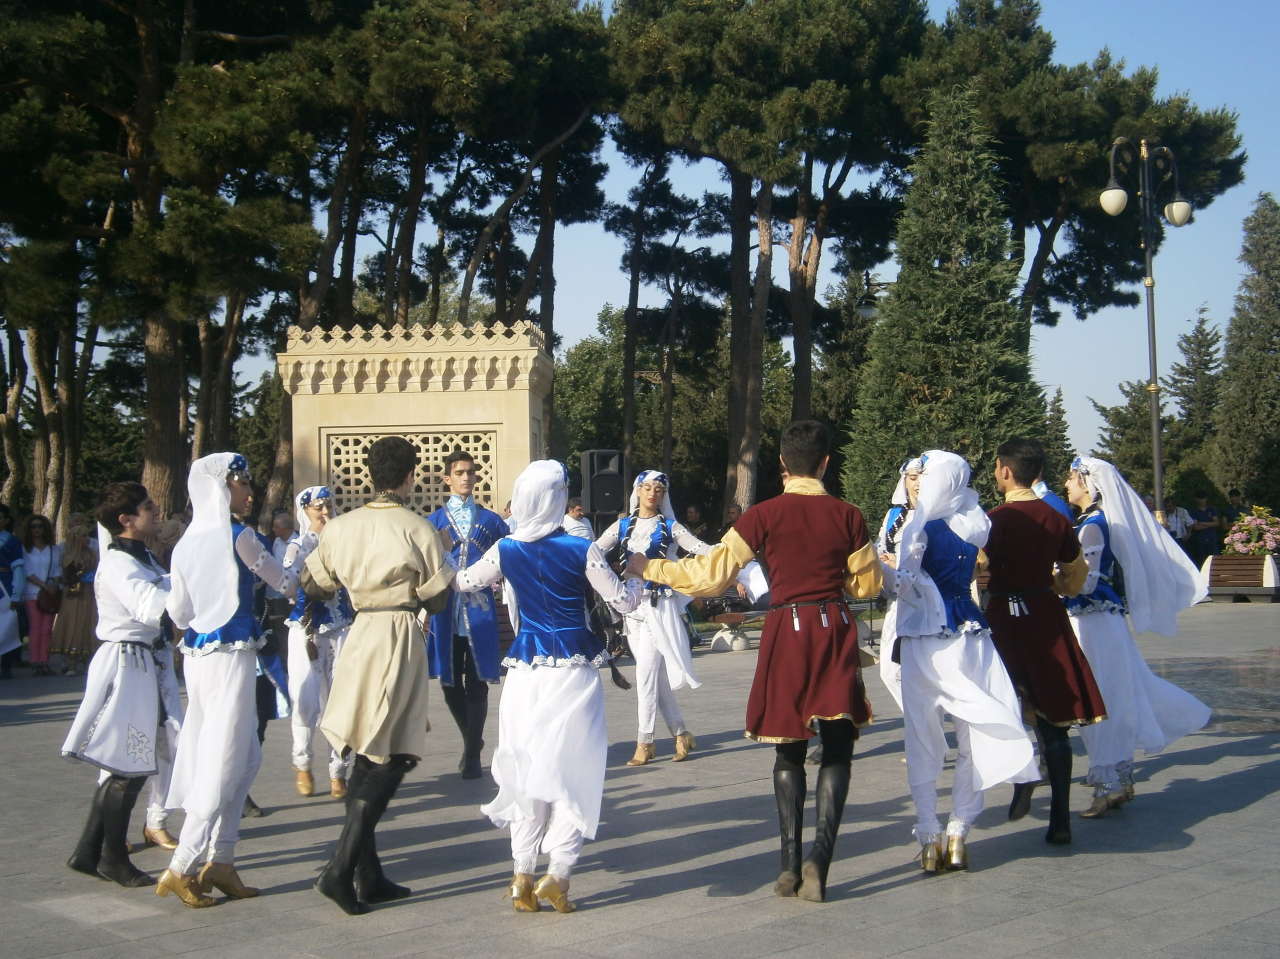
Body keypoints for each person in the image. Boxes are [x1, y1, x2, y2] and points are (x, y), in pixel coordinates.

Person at [639, 420, 882, 902]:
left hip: (786, 629)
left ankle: (789, 864)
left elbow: (711, 576)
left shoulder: (762, 515)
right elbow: (867, 586)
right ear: (826, 463)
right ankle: (820, 860)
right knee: (837, 746)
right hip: (832, 628)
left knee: (788, 747)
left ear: (783, 464)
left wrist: (651, 566)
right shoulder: (848, 515)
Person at [453, 460, 643, 913]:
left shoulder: (505, 548)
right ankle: (558, 873)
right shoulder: (580, 547)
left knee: (528, 769)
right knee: (575, 770)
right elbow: (622, 602)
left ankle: (522, 873)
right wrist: (637, 572)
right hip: (573, 670)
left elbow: (463, 581)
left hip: (525, 671)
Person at [303, 436, 454, 915]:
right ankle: (339, 869)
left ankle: (368, 876)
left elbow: (312, 584)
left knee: (368, 754)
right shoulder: (417, 528)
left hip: (360, 634)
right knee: (391, 756)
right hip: (398, 636)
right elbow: (438, 599)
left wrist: (354, 579)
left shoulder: (341, 527)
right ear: (410, 476)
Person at [879, 452, 1036, 872]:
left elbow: (904, 585)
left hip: (925, 640)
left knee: (921, 735)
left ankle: (929, 834)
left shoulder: (921, 525)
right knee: (971, 737)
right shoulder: (974, 522)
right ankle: (959, 832)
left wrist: (875, 568)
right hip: (971, 634)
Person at [157, 452, 298, 909]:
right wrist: (314, 568)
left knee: (246, 755)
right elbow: (285, 583)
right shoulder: (241, 538)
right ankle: (183, 864)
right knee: (224, 757)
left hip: (199, 656)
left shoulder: (185, 545)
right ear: (220, 488)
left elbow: (179, 613)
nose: (249, 492)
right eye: (241, 483)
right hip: (232, 656)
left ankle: (222, 858)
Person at [1063, 457, 1211, 815]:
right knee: (1115, 695)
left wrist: (1052, 579)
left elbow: (1087, 583)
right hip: (1102, 620)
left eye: (1070, 478)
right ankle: (1120, 777)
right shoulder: (1097, 522)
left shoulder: (1093, 527)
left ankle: (1107, 784)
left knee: (1097, 698)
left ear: (1087, 483)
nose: (1066, 485)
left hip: (1092, 622)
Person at [63, 482, 184, 887]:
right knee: (128, 767)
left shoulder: (140, 554)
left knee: (130, 764)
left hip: (144, 662)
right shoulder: (118, 562)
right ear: (126, 519)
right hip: (127, 664)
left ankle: (88, 850)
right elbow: (150, 607)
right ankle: (112, 858)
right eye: (147, 507)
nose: (156, 511)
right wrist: (189, 585)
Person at [984, 438, 1101, 845]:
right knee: (1055, 718)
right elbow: (1075, 572)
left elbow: (979, 566)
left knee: (1006, 702)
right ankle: (1061, 819)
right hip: (1045, 613)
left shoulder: (994, 519)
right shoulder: (1056, 517)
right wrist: (1054, 586)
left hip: (1004, 614)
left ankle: (1023, 775)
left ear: (1004, 470)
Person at [596, 470, 712, 766]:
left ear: (664, 495)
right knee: (655, 678)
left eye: (658, 489)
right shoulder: (622, 525)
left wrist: (733, 558)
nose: (652, 493)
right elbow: (593, 551)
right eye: (647, 487)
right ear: (638, 491)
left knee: (645, 674)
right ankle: (681, 733)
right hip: (632, 609)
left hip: (659, 606)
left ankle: (645, 741)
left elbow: (700, 548)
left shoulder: (670, 527)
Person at [425, 448, 510, 779]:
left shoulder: (491, 521)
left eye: (470, 472)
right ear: (447, 478)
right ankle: (472, 739)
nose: (466, 477)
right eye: (459, 472)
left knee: (477, 682)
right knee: (449, 682)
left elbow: (509, 555)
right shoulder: (433, 523)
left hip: (480, 610)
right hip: (446, 611)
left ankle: (472, 755)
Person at [283, 486, 354, 799]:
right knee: (306, 699)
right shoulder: (296, 546)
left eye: (328, 506)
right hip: (307, 628)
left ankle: (339, 770)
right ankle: (303, 761)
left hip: (340, 627)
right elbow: (286, 584)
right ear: (305, 512)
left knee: (341, 700)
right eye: (318, 508)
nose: (325, 513)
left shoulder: (343, 542)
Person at [51, 515, 99, 674]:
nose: (86, 539)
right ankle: (70, 661)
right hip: (72, 596)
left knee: (88, 624)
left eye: (87, 535)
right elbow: (62, 574)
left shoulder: (92, 553)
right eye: (82, 536)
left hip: (89, 594)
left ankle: (86, 660)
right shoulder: (66, 553)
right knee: (72, 624)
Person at [22, 514, 62, 676]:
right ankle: (35, 661)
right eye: (33, 527)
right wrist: (44, 586)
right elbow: (27, 572)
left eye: (40, 526)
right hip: (33, 592)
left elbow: (57, 569)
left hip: (49, 594)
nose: (37, 529)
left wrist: (54, 585)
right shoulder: (25, 549)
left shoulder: (53, 549)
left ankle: (44, 661)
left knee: (47, 629)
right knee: (35, 627)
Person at [0, 503, 26, 679]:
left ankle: (6, 665)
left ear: (6, 520)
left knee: (7, 626)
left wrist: (16, 594)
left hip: (5, 587)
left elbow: (18, 569)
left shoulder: (11, 541)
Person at [1186, 492, 1220, 569]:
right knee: (1201, 561)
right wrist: (1210, 524)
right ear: (1196, 499)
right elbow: (1196, 527)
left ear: (1206, 498)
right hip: (1200, 540)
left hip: (1212, 538)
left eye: (1203, 498)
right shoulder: (1193, 511)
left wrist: (1202, 523)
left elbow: (1217, 523)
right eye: (1200, 498)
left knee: (1214, 559)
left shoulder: (1212, 509)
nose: (1202, 500)